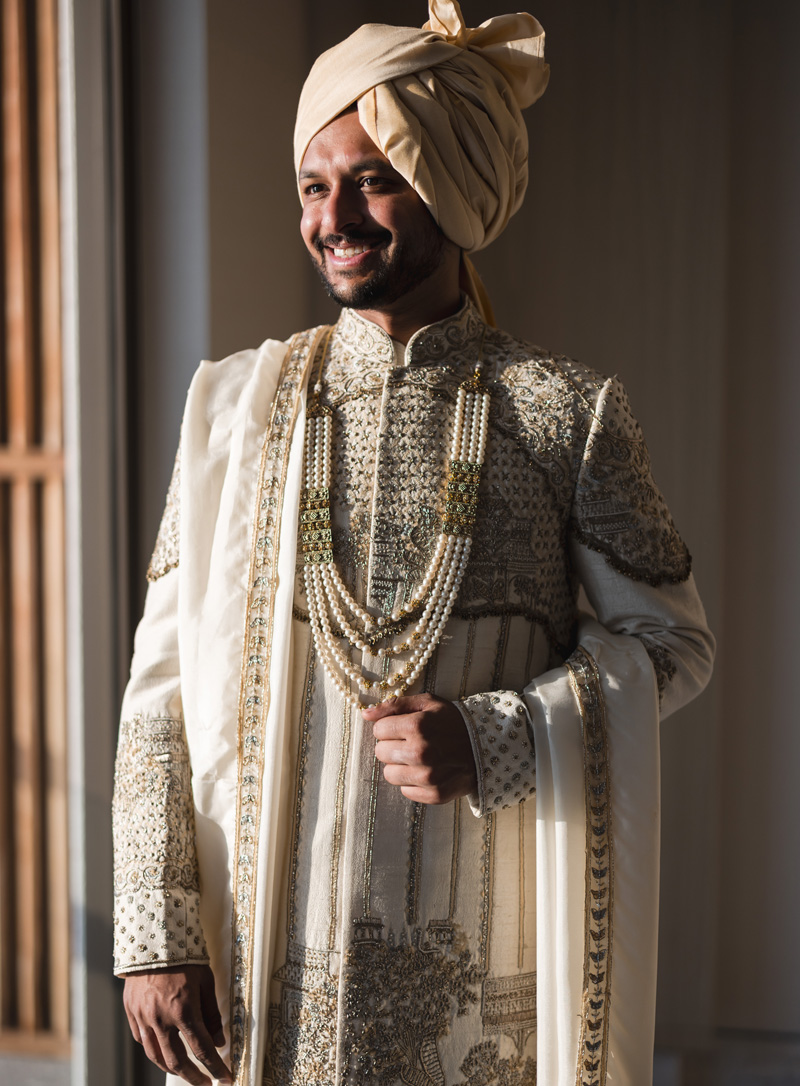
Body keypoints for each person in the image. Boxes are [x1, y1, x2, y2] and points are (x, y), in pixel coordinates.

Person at [112, 4, 714, 1085]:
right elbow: (159, 691)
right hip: (259, 974)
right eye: (312, 184)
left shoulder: (560, 413)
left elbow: (668, 644)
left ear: (448, 188)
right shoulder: (235, 415)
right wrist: (156, 931)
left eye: (372, 178)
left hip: (479, 987)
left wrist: (500, 736)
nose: (333, 216)